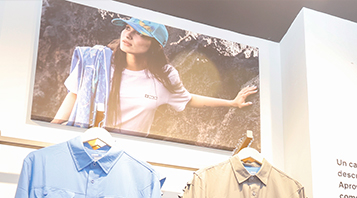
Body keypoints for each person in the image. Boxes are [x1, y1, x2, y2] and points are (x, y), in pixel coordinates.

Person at [52, 17, 257, 136]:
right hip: (85, 145)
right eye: (127, 28)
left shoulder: (164, 77)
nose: (128, 35)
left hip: (128, 156)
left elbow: (188, 99)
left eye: (140, 33)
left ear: (155, 46)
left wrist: (232, 103)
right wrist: (52, 128)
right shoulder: (97, 61)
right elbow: (75, 95)